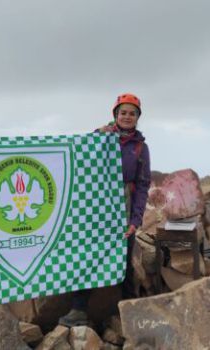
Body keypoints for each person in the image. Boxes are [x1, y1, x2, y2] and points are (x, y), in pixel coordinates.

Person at [59, 93, 151, 327]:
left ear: (138, 117)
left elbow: (142, 184)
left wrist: (136, 218)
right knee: (88, 255)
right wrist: (97, 134)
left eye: (132, 113)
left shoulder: (141, 147)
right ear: (115, 115)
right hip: (96, 206)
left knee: (124, 258)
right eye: (123, 112)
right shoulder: (99, 137)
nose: (127, 117)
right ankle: (78, 310)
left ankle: (130, 310)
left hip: (124, 204)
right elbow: (77, 154)